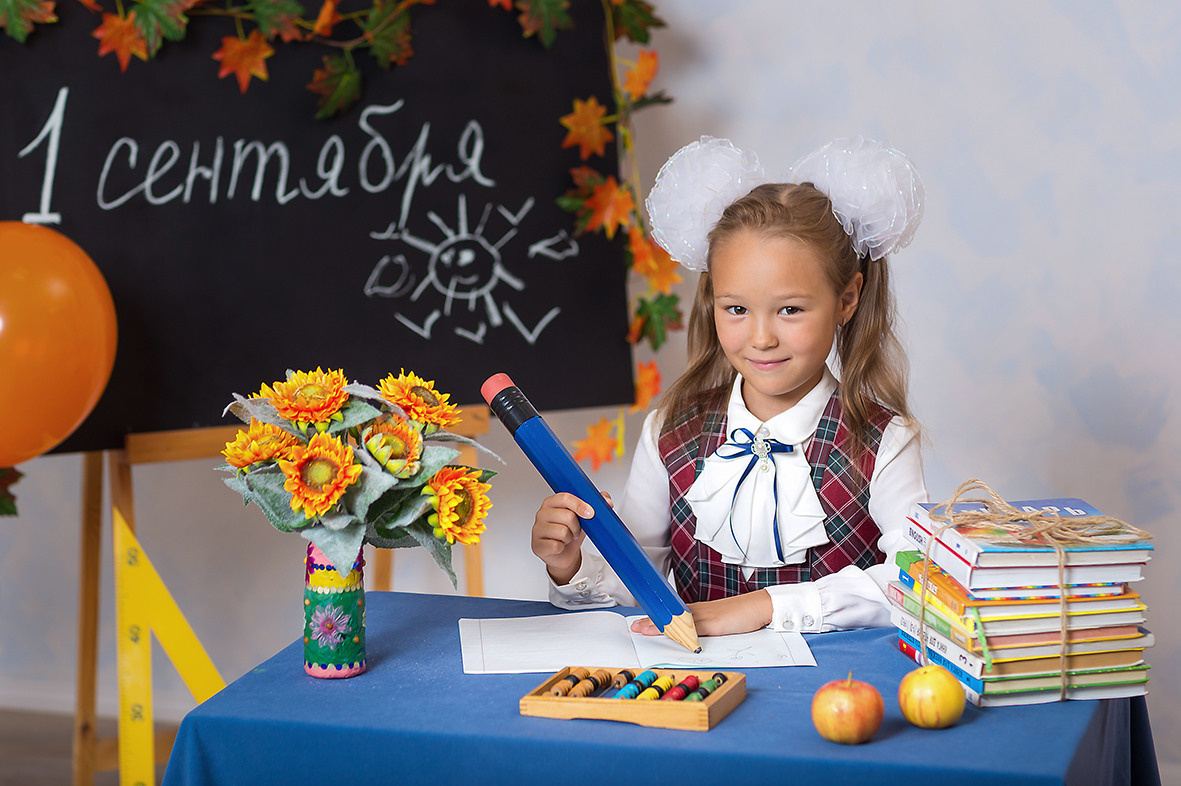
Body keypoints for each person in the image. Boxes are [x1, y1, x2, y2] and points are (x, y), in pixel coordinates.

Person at [532, 136, 928, 637]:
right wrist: (569, 564)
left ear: (847, 299)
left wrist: (765, 607)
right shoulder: (671, 431)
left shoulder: (885, 441)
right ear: (713, 301)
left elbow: (918, 581)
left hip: (837, 692)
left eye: (790, 309)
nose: (761, 338)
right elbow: (635, 583)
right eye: (736, 309)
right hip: (700, 690)